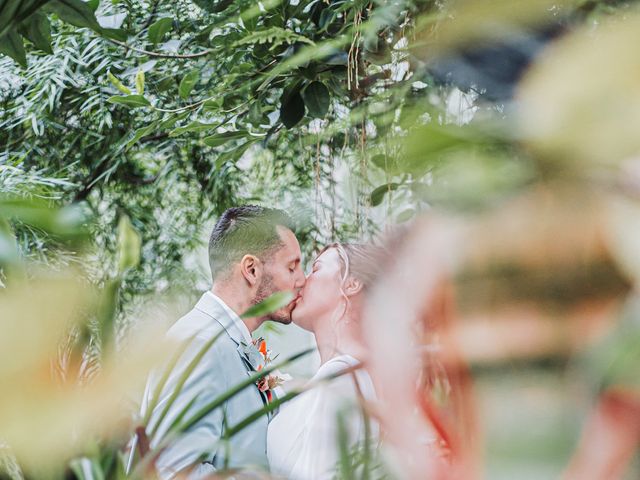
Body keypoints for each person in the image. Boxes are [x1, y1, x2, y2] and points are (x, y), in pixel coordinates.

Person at [130, 206, 305, 478]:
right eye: (292, 266)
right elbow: (176, 470)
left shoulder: (223, 342)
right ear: (251, 269)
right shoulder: (197, 344)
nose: (301, 280)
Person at [267, 242, 388, 480]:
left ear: (352, 283)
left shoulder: (342, 377)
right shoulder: (349, 375)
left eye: (316, 268)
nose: (301, 281)